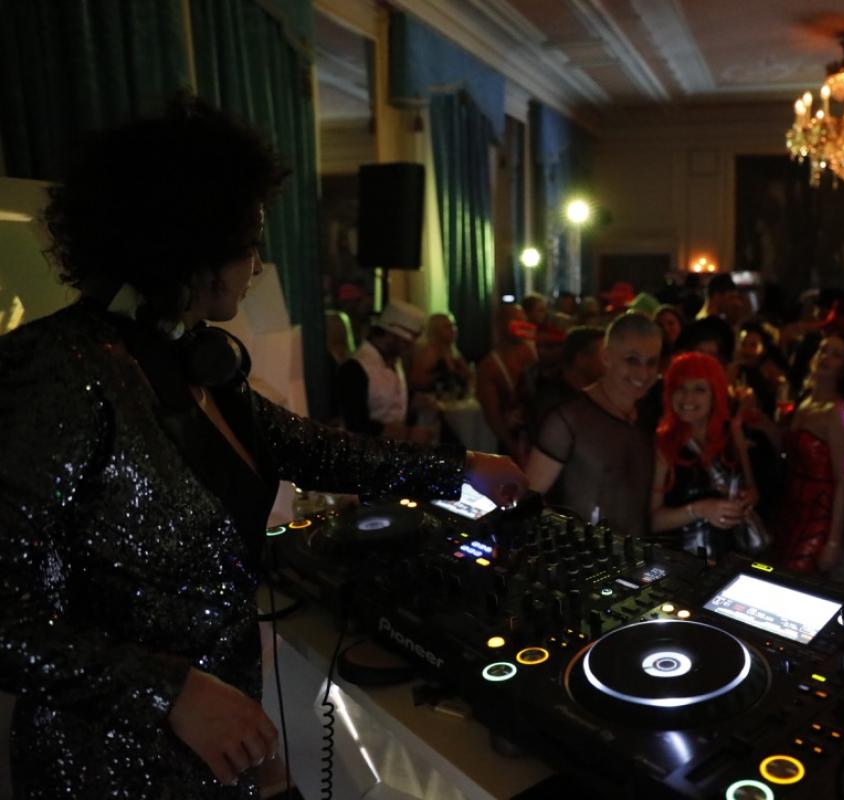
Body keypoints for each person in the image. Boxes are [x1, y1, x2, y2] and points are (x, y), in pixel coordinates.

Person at [0, 96, 525, 800]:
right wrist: (168, 691)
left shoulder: (190, 356)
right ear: (189, 244)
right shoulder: (56, 373)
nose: (257, 262)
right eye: (248, 240)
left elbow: (314, 450)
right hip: (109, 764)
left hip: (219, 742)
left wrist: (460, 470)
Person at [526, 313, 662, 537]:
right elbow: (528, 499)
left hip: (637, 553)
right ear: (606, 357)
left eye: (652, 362)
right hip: (581, 553)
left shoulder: (650, 417)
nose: (643, 372)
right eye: (632, 360)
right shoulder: (569, 418)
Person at [775, 307, 844, 576]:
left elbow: (843, 481)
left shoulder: (838, 414)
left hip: (820, 515)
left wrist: (833, 542)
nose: (826, 357)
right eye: (823, 350)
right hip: (791, 508)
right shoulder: (805, 401)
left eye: (836, 354)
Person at [650, 353, 757, 559]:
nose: (687, 397)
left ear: (715, 394)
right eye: (680, 387)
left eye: (699, 389)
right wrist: (700, 509)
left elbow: (752, 491)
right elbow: (653, 521)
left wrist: (746, 499)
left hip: (737, 555)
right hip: (685, 561)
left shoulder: (731, 432)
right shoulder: (662, 444)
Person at [336, 301, 433, 441]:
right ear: (390, 336)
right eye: (406, 343)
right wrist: (407, 433)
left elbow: (385, 396)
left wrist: (414, 399)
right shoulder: (355, 367)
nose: (409, 348)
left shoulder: (394, 361)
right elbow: (355, 423)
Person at [476, 303, 538, 463]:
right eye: (516, 320)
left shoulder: (534, 351)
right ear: (501, 325)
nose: (521, 324)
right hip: (513, 442)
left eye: (523, 320)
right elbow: (493, 416)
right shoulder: (489, 367)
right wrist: (513, 448)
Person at [527, 326, 606, 435]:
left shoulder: (595, 394)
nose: (610, 363)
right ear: (581, 359)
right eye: (604, 356)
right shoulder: (553, 404)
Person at [409, 312, 472, 400]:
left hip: (451, 400)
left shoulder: (453, 352)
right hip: (430, 401)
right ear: (436, 330)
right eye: (447, 327)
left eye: (453, 326)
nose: (453, 330)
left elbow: (468, 375)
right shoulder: (429, 352)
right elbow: (416, 382)